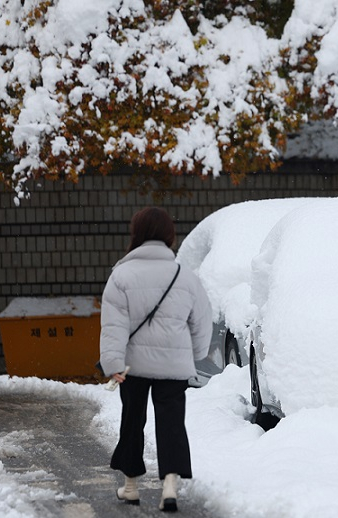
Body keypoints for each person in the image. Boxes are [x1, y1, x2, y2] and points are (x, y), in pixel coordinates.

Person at [99, 207, 212, 512]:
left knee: (133, 421)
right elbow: (202, 320)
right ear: (168, 236)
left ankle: (132, 487)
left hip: (133, 365)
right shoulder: (184, 276)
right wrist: (196, 354)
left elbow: (114, 325)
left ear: (136, 234)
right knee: (172, 424)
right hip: (173, 366)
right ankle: (170, 488)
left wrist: (112, 364)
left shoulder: (121, 275)